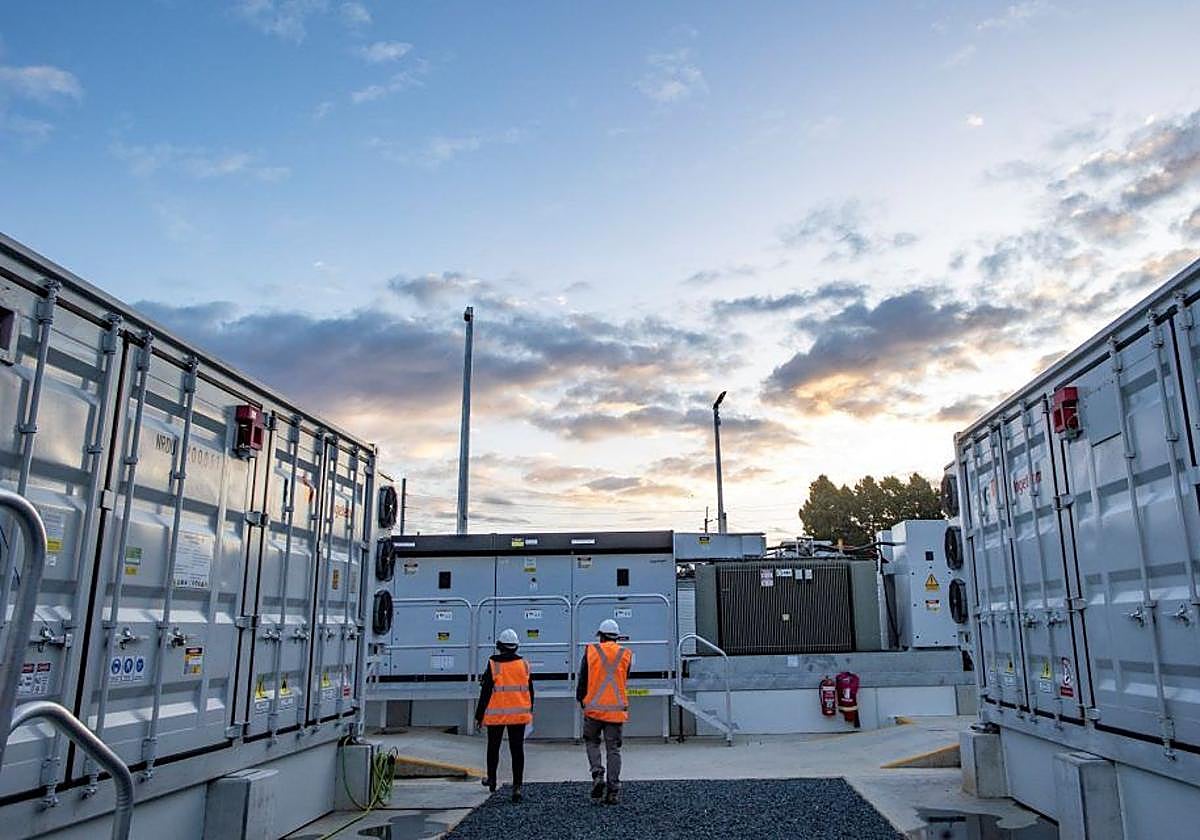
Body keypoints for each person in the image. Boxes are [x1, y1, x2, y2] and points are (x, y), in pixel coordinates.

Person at [576, 618, 632, 805]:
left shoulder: (591, 651)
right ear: (617, 637)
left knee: (592, 741)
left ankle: (597, 774)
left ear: (600, 636)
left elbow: (583, 678)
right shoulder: (625, 654)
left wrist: (581, 699)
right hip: (616, 711)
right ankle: (613, 791)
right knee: (613, 749)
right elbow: (624, 678)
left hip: (594, 710)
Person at [475, 627, 534, 803]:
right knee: (517, 750)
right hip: (518, 715)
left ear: (499, 646)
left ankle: (492, 779)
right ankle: (517, 787)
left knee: (493, 747)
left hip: (496, 715)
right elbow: (530, 691)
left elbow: (485, 692)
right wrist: (529, 710)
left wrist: (479, 715)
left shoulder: (493, 664)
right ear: (516, 646)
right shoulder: (524, 664)